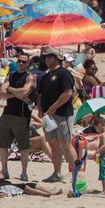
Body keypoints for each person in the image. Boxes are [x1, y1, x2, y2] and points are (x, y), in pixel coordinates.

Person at [37, 47, 76, 184]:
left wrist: (54, 107)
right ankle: (57, 173)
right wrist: (40, 110)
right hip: (49, 117)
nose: (47, 59)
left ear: (56, 58)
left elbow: (68, 93)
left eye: (50, 57)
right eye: (45, 57)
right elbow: (40, 95)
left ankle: (76, 174)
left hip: (63, 114)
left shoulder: (64, 73)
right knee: (53, 145)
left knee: (66, 144)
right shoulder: (45, 77)